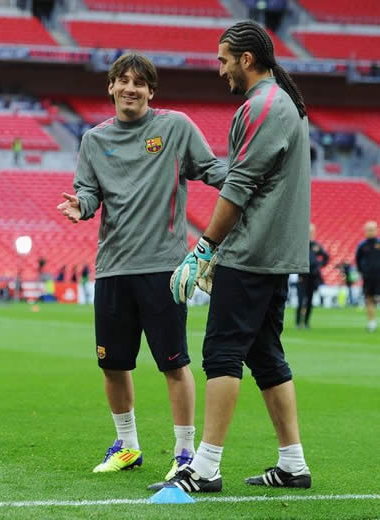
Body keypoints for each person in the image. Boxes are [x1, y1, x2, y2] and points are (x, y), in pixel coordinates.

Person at [152, 20, 312, 493]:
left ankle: (205, 467)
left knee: (222, 353)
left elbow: (240, 188)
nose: (219, 69)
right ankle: (293, 465)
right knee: (266, 356)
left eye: (223, 60)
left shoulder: (262, 106)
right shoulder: (283, 105)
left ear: (246, 59)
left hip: (252, 252)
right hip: (274, 253)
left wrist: (203, 249)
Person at [57, 53, 226, 478]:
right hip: (112, 268)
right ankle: (128, 445)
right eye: (123, 80)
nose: (130, 88)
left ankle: (185, 452)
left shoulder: (174, 127)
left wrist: (249, 178)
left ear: (151, 91)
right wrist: (81, 205)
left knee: (173, 363)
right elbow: (88, 192)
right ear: (110, 87)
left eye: (140, 82)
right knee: (112, 364)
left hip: (164, 269)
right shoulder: (93, 140)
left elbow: (209, 168)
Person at [296, 223, 329, 329]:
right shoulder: (300, 244)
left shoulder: (316, 245)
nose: (310, 234)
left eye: (312, 232)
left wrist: (319, 265)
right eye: (309, 231)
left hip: (313, 277)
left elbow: (326, 257)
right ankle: (298, 322)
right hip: (302, 277)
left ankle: (306, 322)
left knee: (310, 300)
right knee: (301, 301)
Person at [355, 221, 380, 332]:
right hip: (368, 277)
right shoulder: (362, 245)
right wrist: (362, 272)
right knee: (368, 298)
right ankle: (372, 322)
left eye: (372, 229)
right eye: (368, 229)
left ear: (376, 230)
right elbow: (358, 260)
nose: (370, 231)